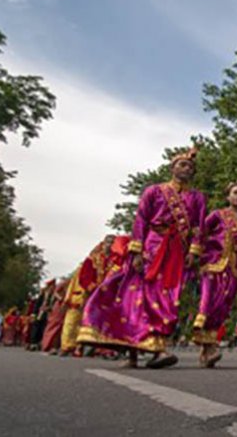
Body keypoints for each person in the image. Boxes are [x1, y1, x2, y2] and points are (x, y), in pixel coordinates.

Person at [78, 147, 207, 369]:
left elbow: (198, 228)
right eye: (182, 164)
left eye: (190, 167)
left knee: (168, 299)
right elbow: (140, 221)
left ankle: (152, 346)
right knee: (138, 297)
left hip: (177, 252)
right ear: (172, 167)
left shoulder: (197, 198)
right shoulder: (154, 191)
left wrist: (194, 252)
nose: (186, 168)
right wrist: (136, 251)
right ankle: (142, 351)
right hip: (152, 247)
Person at [192, 180, 237, 368]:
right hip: (213, 264)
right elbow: (201, 233)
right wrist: (195, 253)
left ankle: (208, 348)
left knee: (222, 306)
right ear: (228, 196)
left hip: (234, 268)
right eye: (235, 193)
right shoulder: (217, 215)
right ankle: (207, 344)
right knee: (208, 302)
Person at [61, 235, 128, 356]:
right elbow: (84, 277)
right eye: (108, 242)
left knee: (107, 321)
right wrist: (94, 288)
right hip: (92, 294)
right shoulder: (92, 258)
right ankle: (75, 346)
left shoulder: (117, 260)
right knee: (85, 321)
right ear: (103, 243)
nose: (110, 245)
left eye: (113, 243)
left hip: (109, 295)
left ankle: (105, 348)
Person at [41, 278, 71, 353]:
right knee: (54, 325)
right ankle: (48, 345)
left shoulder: (72, 283)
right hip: (59, 306)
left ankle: (57, 346)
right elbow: (55, 293)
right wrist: (61, 299)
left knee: (61, 327)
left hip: (66, 306)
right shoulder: (64, 283)